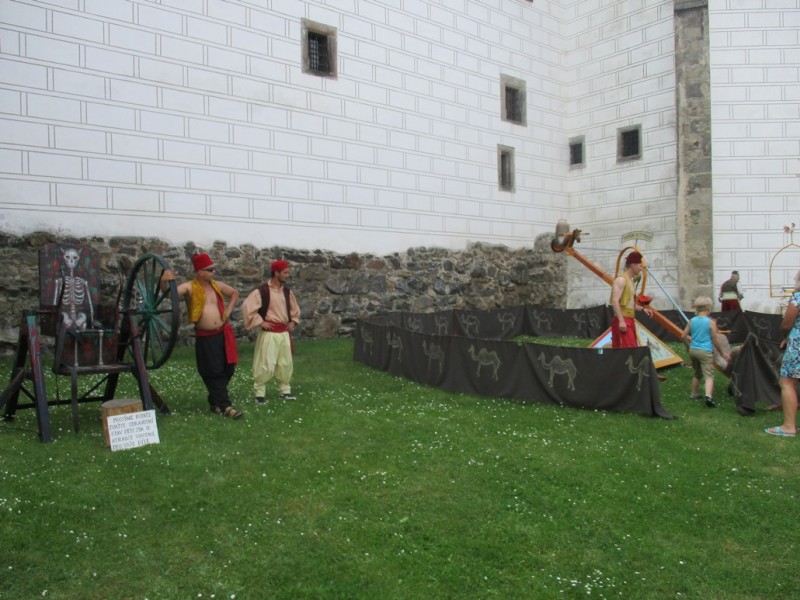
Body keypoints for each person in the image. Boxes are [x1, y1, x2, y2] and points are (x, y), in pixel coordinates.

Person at [161, 253, 242, 419]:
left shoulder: (217, 285)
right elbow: (170, 294)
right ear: (200, 272)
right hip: (206, 337)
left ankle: (215, 402)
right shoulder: (190, 287)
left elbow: (234, 293)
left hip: (222, 333)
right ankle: (226, 407)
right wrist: (163, 281)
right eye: (210, 269)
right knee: (214, 372)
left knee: (228, 369)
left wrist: (228, 310)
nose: (214, 272)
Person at [241, 259, 301, 404]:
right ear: (276, 273)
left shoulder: (287, 292)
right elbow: (247, 307)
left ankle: (285, 391)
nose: (287, 275)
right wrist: (260, 322)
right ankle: (260, 394)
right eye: (285, 273)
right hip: (269, 334)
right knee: (265, 363)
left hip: (283, 333)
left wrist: (293, 321)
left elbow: (295, 309)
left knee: (285, 363)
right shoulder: (262, 291)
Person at [765, 271, 800, 437]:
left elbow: (786, 324)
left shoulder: (797, 298)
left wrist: (785, 336)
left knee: (787, 382)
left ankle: (789, 426)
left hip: (798, 345)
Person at [681, 296, 731, 408]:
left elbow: (683, 336)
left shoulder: (692, 321)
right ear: (708, 308)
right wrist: (722, 353)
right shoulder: (710, 322)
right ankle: (708, 396)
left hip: (693, 350)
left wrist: (689, 346)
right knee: (709, 375)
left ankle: (694, 394)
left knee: (697, 373)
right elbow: (715, 340)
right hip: (705, 351)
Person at [610, 251, 654, 348]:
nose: (641, 268)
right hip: (623, 319)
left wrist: (643, 309)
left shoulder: (631, 282)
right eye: (640, 265)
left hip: (629, 319)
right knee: (629, 349)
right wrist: (621, 321)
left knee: (631, 349)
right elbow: (615, 301)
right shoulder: (621, 280)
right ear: (633, 265)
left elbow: (630, 304)